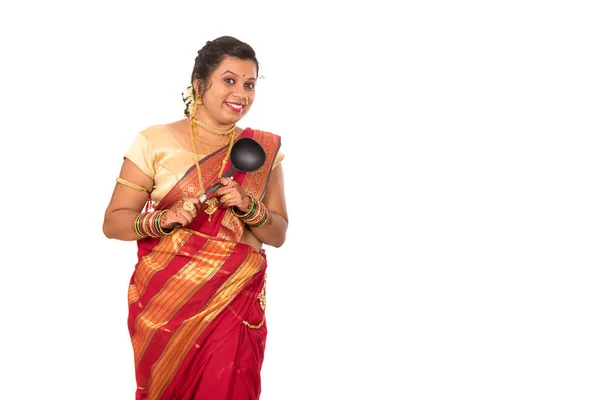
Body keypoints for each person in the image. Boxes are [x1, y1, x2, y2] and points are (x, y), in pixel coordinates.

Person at [102, 36, 288, 400]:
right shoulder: (154, 141)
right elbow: (113, 222)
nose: (241, 93)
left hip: (233, 305)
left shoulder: (262, 150)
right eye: (229, 80)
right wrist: (161, 220)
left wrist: (250, 207)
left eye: (250, 84)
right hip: (167, 308)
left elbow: (278, 233)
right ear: (199, 84)